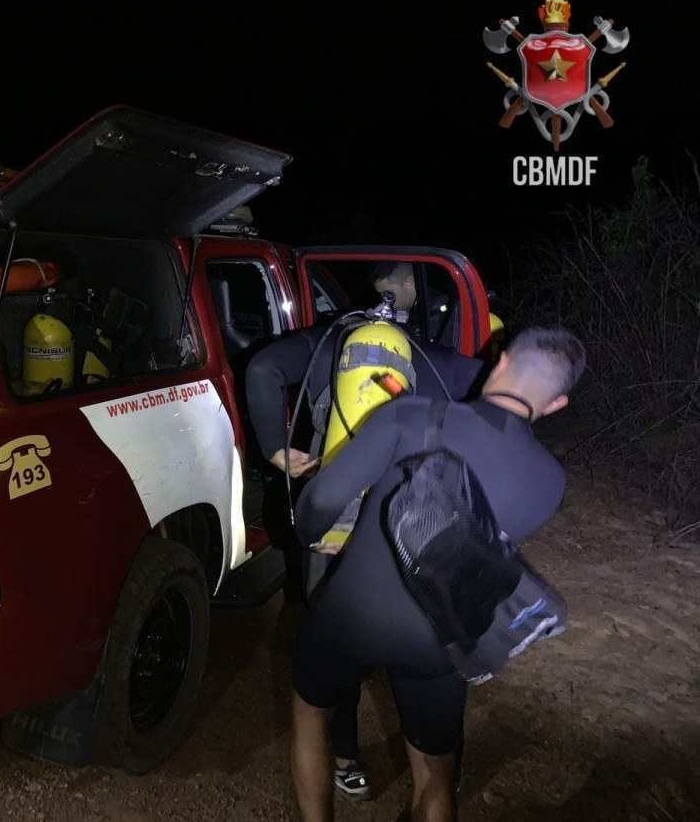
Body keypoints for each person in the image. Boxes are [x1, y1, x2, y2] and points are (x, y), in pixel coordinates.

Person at [288, 327, 585, 822]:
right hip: (440, 636)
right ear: (557, 404)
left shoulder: (410, 414)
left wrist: (306, 531)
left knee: (310, 715)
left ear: (501, 361)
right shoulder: (551, 481)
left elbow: (319, 502)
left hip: (353, 612)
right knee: (434, 772)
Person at [244, 261, 484, 799]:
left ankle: (347, 760)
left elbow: (262, 371)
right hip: (408, 526)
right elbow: (485, 389)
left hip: (332, 524)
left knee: (332, 648)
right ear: (403, 299)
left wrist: (275, 449)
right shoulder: (423, 353)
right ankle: (435, 768)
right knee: (419, 646)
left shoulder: (330, 342)